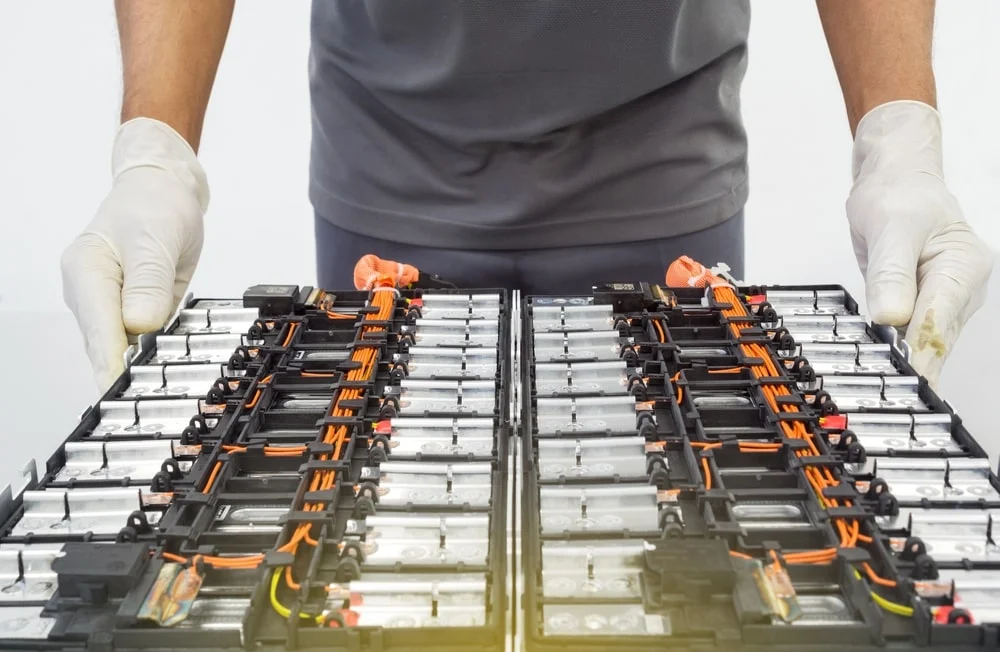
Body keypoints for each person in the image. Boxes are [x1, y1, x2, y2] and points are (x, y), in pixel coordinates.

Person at [61, 1, 992, 393]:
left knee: (678, 566)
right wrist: (156, 151)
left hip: (663, 167)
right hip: (388, 167)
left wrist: (898, 139)